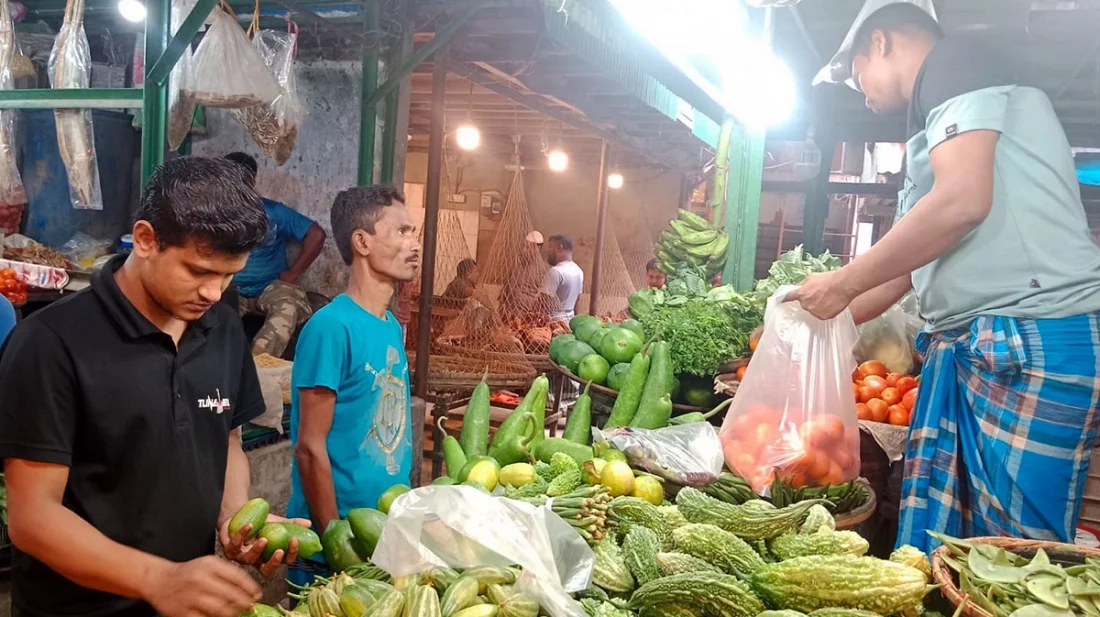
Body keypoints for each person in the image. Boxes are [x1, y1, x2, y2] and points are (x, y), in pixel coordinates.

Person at [789, 4, 1100, 553]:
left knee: (1016, 557)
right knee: (956, 549)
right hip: (982, 342)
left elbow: (962, 202)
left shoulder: (958, 61)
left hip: (1031, 337)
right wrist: (812, 320)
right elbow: (909, 265)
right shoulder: (936, 123)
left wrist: (840, 285)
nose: (859, 91)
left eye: (855, 71)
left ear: (880, 41)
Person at [0, 157, 306, 617]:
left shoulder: (223, 329)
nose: (213, 292)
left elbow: (225, 441)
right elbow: (33, 518)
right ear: (145, 239)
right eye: (198, 271)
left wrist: (233, 519)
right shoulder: (51, 343)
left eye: (228, 275)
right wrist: (156, 579)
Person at [288, 185, 420, 586]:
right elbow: (309, 448)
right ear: (361, 242)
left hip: (383, 532)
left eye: (414, 233)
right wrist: (335, 544)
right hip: (337, 540)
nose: (413, 244)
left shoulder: (390, 326)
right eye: (401, 232)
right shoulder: (331, 328)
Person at [225, 152, 327, 358]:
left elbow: (316, 234)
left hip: (270, 287)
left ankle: (258, 370)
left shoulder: (272, 211)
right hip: (230, 287)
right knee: (210, 315)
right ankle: (223, 370)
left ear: (252, 180)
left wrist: (293, 274)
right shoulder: (215, 214)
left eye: (242, 178)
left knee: (288, 307)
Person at [542, 234, 583, 321]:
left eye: (550, 247)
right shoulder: (579, 271)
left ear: (560, 247)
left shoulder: (556, 271)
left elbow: (542, 301)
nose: (548, 251)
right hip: (569, 321)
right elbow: (577, 300)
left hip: (553, 322)